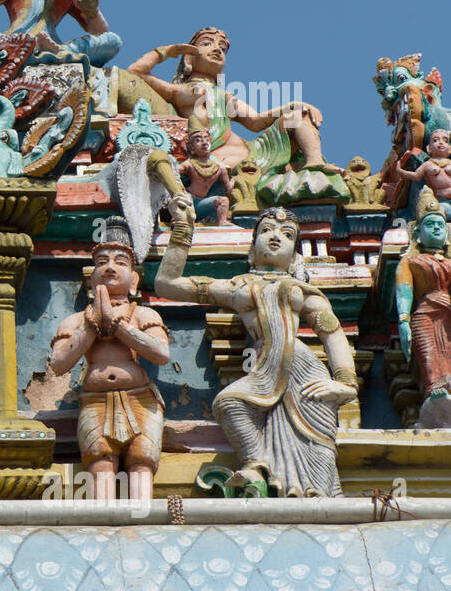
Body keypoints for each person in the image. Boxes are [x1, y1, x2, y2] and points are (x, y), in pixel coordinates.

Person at [156, 204, 357, 496]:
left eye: (287, 235)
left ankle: (321, 501)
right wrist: (184, 229)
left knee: (316, 447)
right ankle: (257, 465)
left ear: (295, 256)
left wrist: (346, 384)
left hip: (304, 370)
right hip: (265, 366)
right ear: (251, 250)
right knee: (229, 403)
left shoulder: (301, 291)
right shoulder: (238, 287)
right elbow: (167, 285)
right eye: (266, 230)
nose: (276, 237)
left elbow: (332, 331)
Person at [49, 217, 169, 500]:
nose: (110, 267)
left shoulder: (143, 315)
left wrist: (119, 326)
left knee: (141, 461)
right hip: (95, 401)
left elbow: (161, 354)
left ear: (135, 280)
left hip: (139, 399)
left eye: (120, 262)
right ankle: (101, 524)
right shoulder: (77, 320)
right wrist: (92, 325)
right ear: (92, 279)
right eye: (102, 262)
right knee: (100, 462)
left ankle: (142, 520)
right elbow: (58, 364)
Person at [126, 27, 340, 172]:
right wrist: (167, 51)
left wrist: (292, 106)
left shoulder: (224, 96)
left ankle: (315, 165)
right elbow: (136, 72)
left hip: (253, 152)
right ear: (189, 58)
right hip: (217, 157)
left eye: (223, 47)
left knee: (297, 116)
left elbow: (256, 122)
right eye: (207, 43)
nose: (217, 49)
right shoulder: (178, 91)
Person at [395, 187, 451, 413]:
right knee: (429, 353)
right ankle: (433, 388)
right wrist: (403, 321)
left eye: (440, 225)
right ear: (417, 232)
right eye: (430, 225)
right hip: (425, 314)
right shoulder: (410, 262)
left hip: (448, 313)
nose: (436, 228)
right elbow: (404, 291)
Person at [179, 124, 233, 225]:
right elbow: (174, 173)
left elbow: (228, 188)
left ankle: (223, 222)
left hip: (202, 204)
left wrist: (233, 180)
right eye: (198, 140)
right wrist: (181, 189)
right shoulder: (189, 164)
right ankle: (179, 220)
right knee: (183, 199)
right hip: (189, 200)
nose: (204, 142)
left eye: (206, 139)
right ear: (191, 148)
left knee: (223, 200)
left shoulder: (220, 168)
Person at [398, 125, 451, 218]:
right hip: (440, 200)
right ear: (428, 148)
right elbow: (416, 176)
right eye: (435, 140)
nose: (441, 143)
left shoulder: (449, 163)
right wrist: (401, 172)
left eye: (445, 140)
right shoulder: (428, 164)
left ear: (449, 149)